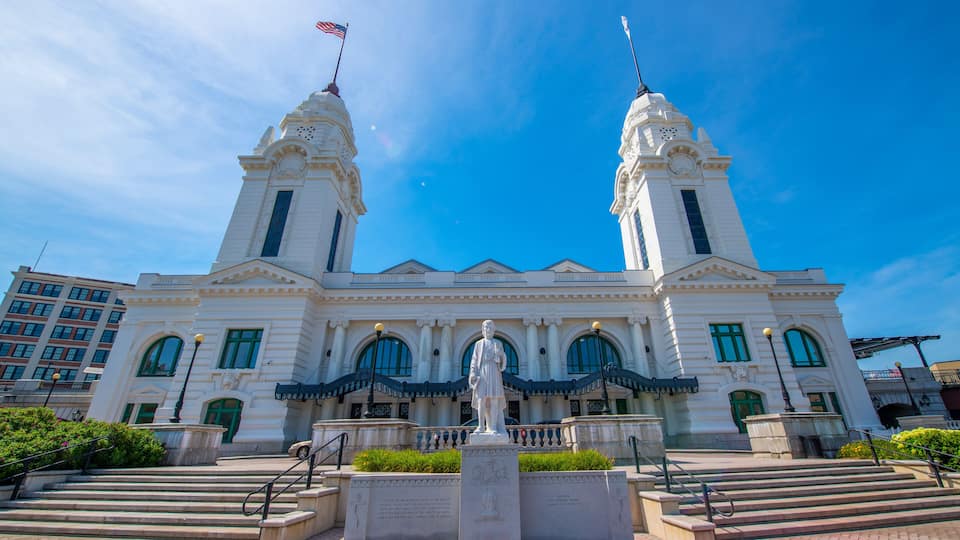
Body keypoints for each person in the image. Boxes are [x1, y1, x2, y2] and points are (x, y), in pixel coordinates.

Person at [469, 320, 508, 434]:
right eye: (486, 327)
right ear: (483, 330)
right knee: (481, 400)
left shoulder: (498, 343)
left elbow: (503, 359)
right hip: (482, 372)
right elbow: (474, 360)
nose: (488, 329)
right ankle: (481, 426)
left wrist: (500, 355)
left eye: (490, 327)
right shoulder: (479, 344)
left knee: (494, 400)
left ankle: (493, 427)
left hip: (494, 371)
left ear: (494, 330)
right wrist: (472, 373)